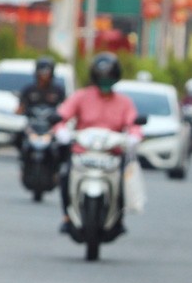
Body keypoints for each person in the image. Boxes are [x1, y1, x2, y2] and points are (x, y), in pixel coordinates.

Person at [55, 52, 142, 234]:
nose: (105, 80)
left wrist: (134, 137)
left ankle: (118, 218)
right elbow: (62, 117)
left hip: (112, 154)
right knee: (64, 175)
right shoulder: (81, 97)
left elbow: (133, 124)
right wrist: (61, 130)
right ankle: (67, 216)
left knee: (125, 180)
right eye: (102, 76)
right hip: (83, 152)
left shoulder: (124, 102)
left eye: (109, 76)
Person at [16, 56, 65, 150]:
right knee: (18, 136)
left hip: (51, 125)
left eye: (46, 72)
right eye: (42, 71)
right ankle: (24, 158)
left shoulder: (58, 90)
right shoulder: (29, 89)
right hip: (33, 123)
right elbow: (20, 108)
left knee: (64, 140)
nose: (44, 75)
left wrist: (59, 116)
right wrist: (21, 111)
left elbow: (65, 108)